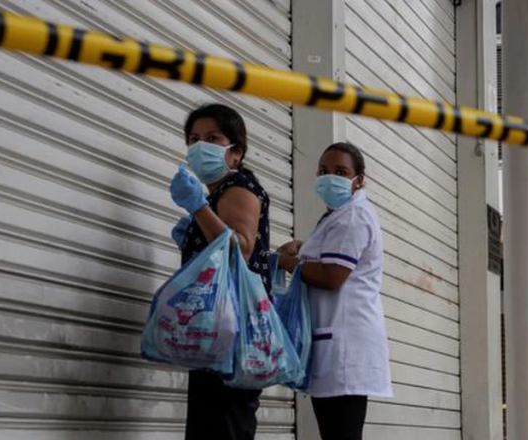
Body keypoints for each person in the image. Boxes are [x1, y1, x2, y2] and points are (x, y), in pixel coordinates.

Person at [168, 103, 272, 440]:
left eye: (212, 137)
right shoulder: (218, 195)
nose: (200, 146)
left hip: (233, 331)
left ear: (235, 151)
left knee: (223, 427)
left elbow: (240, 248)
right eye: (194, 138)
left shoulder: (238, 187)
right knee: (212, 427)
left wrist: (198, 208)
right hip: (216, 330)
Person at [276, 142, 392, 440]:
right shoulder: (339, 215)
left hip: (345, 347)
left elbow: (332, 276)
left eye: (341, 171)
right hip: (337, 342)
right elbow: (331, 256)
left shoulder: (353, 216)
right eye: (324, 171)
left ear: (359, 179)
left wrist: (289, 263)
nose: (330, 178)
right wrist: (305, 249)